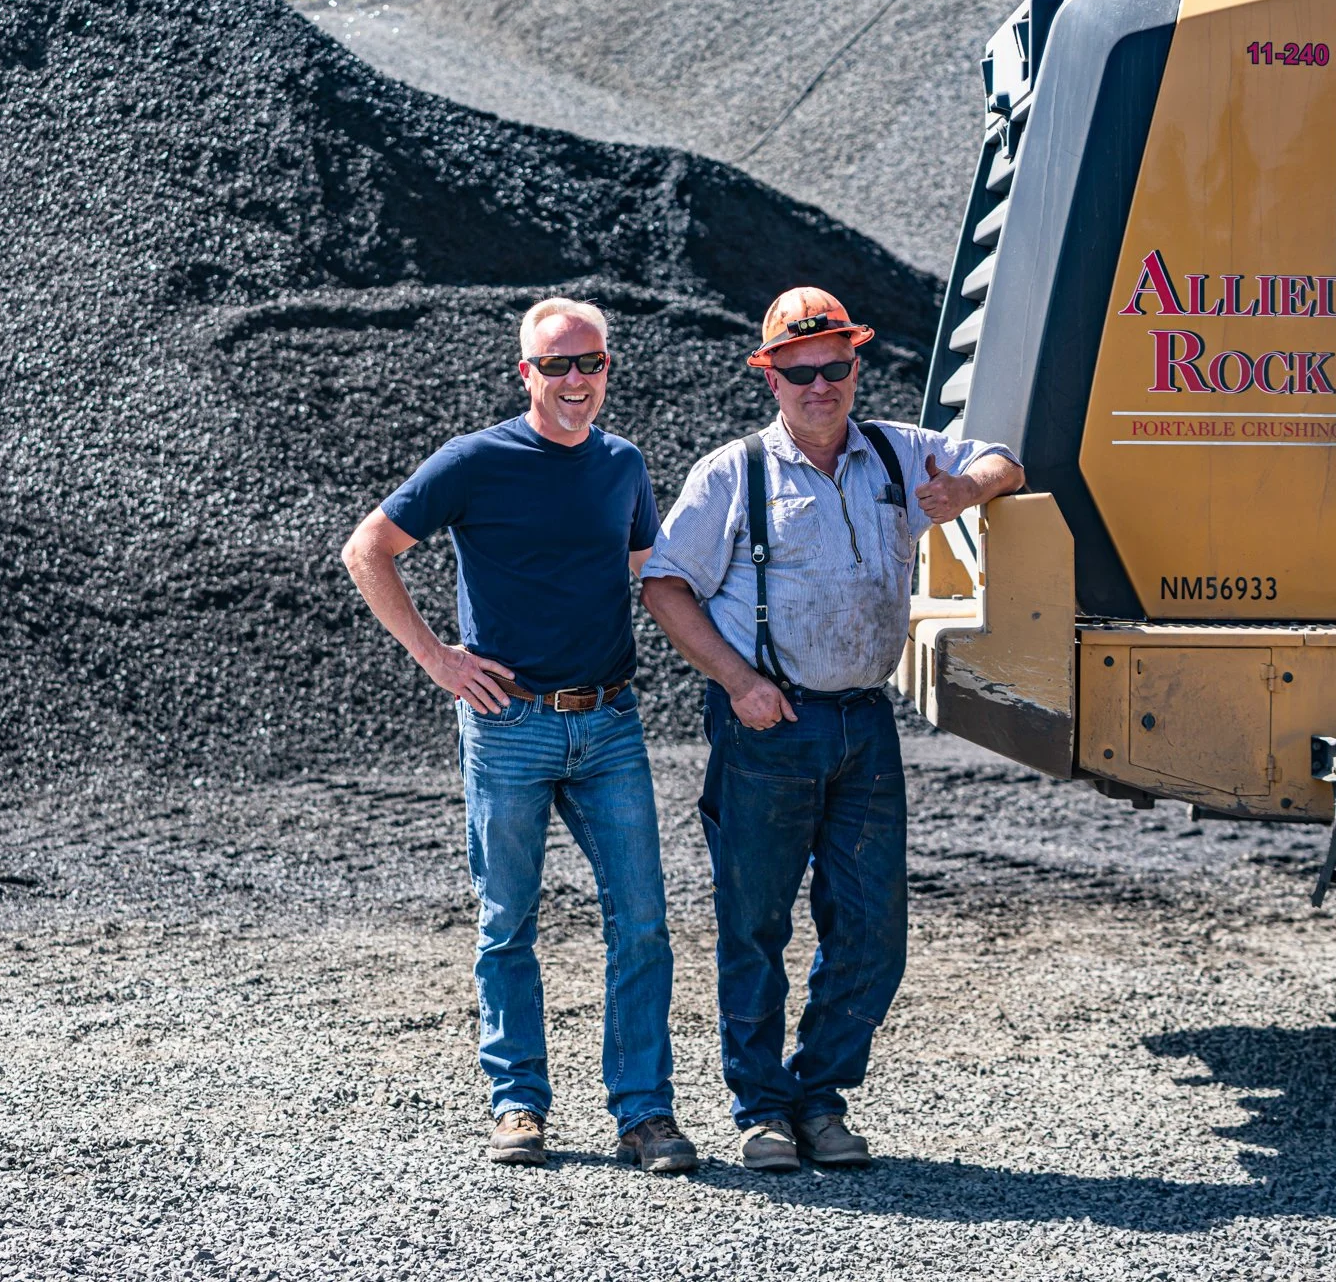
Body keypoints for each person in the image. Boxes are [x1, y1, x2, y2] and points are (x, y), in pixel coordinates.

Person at [639, 286, 1024, 1173]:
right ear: (770, 375)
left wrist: (966, 486)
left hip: (863, 722)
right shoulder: (734, 473)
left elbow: (1006, 458)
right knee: (756, 922)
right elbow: (664, 584)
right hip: (769, 726)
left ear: (856, 363)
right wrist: (738, 682)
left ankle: (819, 1093)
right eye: (801, 370)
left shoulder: (897, 451)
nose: (822, 384)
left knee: (873, 926)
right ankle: (762, 1107)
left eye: (837, 365)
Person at [339, 297, 697, 1174]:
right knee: (508, 924)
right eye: (557, 365)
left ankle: (644, 1116)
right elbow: (367, 549)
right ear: (525, 372)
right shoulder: (474, 462)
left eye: (592, 363)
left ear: (608, 367)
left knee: (642, 921)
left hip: (610, 721)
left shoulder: (623, 464)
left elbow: (655, 572)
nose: (577, 380)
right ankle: (517, 1104)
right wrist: (439, 661)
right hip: (507, 725)